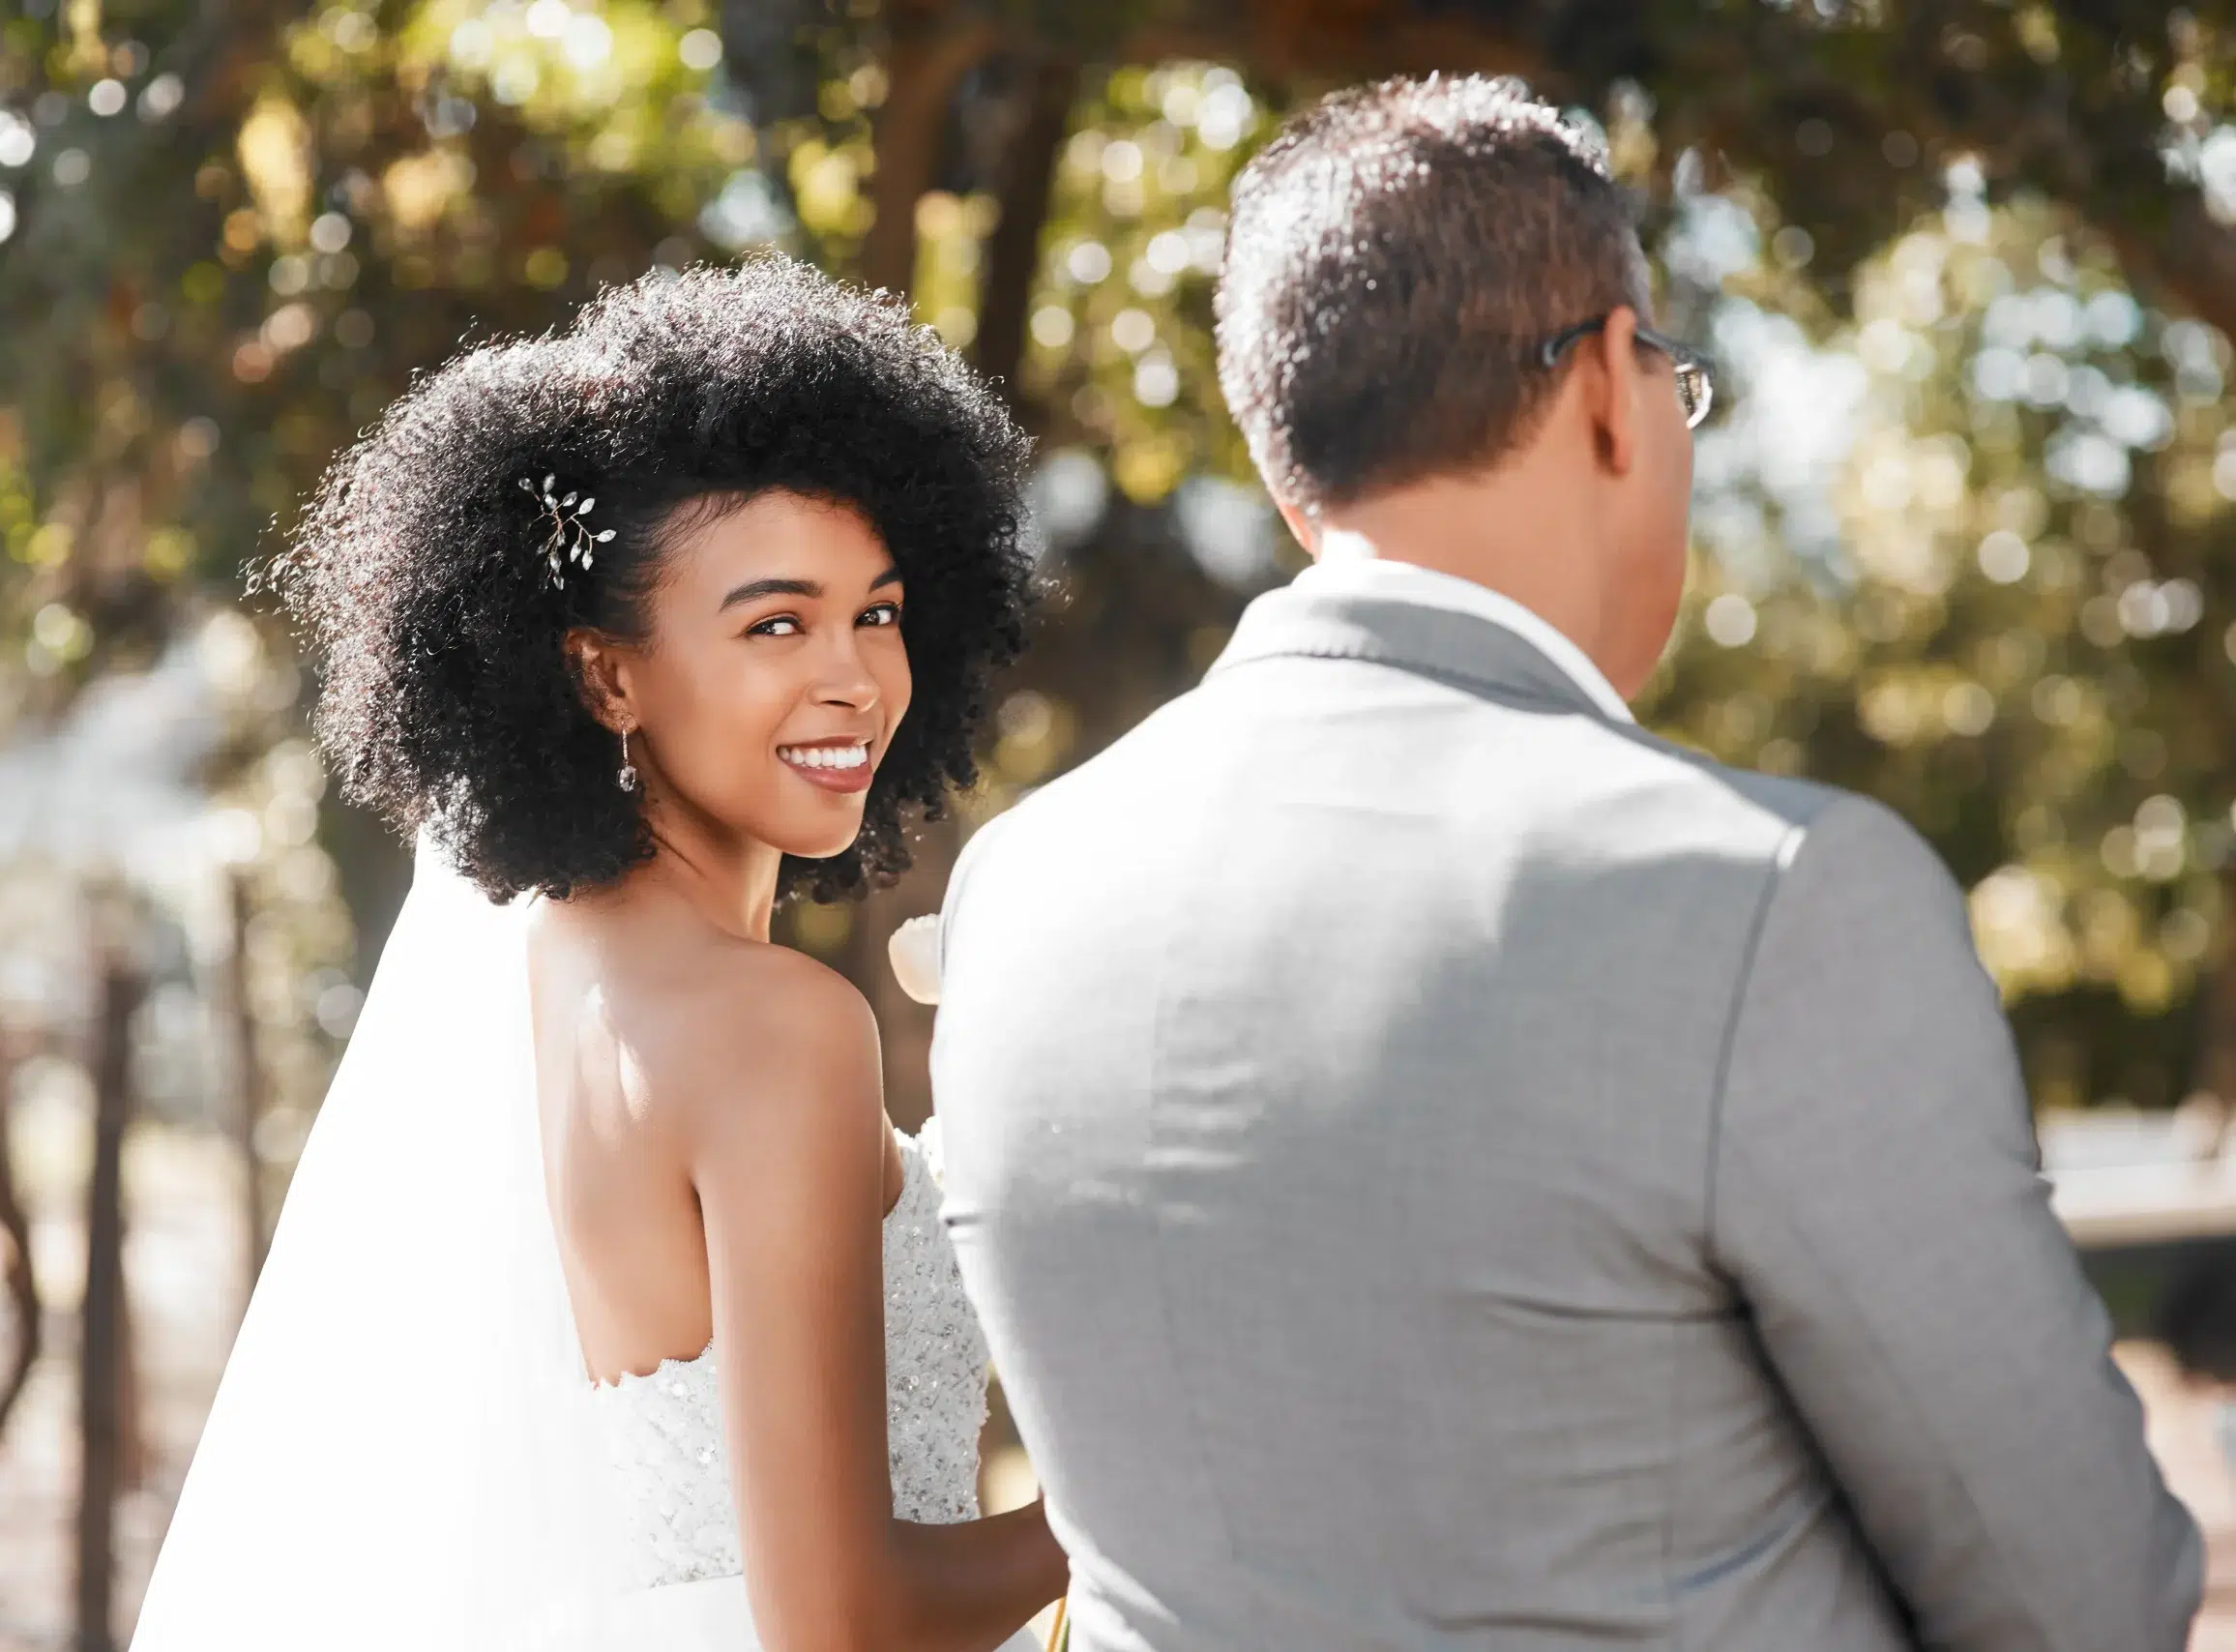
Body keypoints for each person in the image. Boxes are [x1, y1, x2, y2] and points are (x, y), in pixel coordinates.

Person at [927, 74, 2201, 1651]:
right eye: (1680, 380)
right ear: (1610, 382)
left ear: (1285, 470)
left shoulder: (1020, 890)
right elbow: (2082, 1601)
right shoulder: (1770, 894)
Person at [133, 256, 1065, 1652]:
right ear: (605, 673)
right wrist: (1132, 1503)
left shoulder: (546, 973)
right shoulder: (775, 1025)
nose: (854, 678)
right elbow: (844, 1621)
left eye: (876, 612)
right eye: (776, 623)